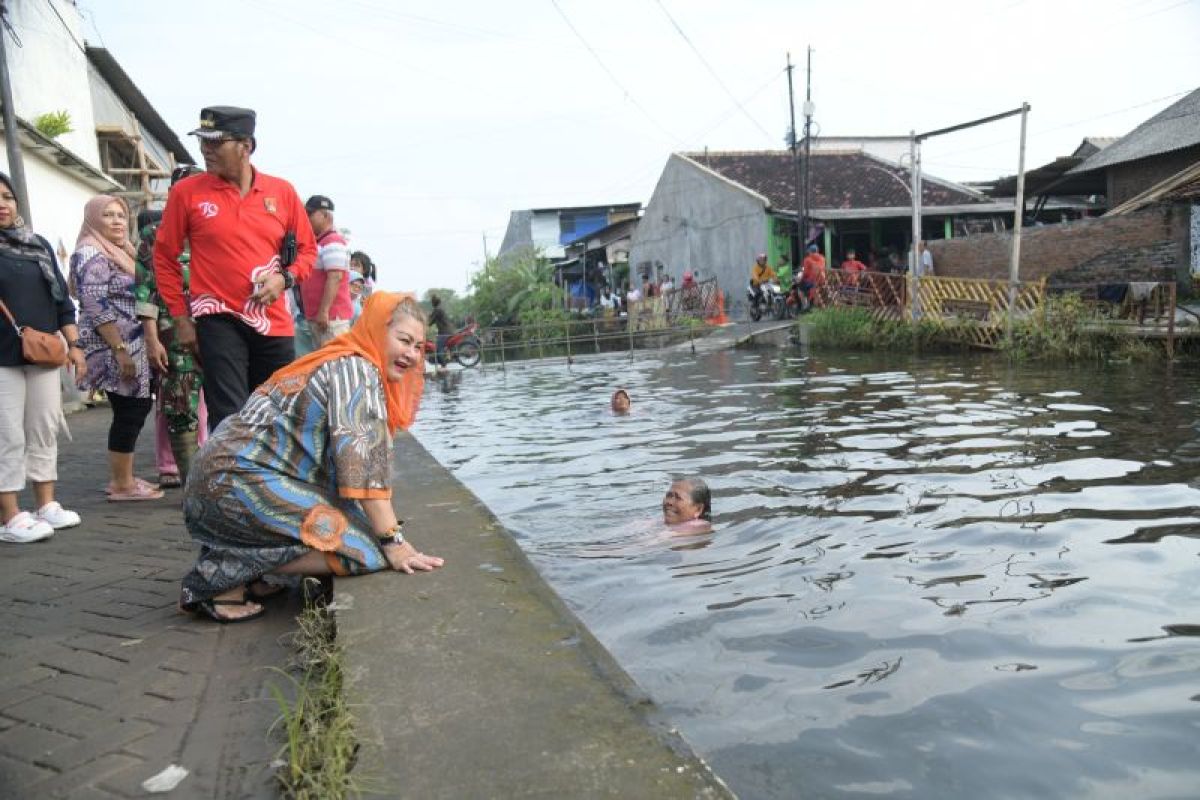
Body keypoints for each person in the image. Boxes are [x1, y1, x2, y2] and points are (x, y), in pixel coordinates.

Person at [179, 292, 443, 622]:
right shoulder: (357, 371)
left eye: (419, 347)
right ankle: (223, 574)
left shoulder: (341, 360)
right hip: (235, 484)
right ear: (376, 329)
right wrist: (395, 542)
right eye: (404, 340)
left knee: (354, 526)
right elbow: (361, 469)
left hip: (220, 481)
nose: (412, 354)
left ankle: (250, 566)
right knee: (368, 552)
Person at [154, 106, 317, 433]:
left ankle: (272, 482)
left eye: (216, 142)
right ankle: (230, 483)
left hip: (273, 321)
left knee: (279, 412)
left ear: (246, 146)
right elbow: (164, 256)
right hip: (218, 318)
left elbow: (308, 251)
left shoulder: (281, 191)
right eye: (203, 142)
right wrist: (181, 319)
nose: (205, 150)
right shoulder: (186, 192)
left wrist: (283, 279)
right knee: (229, 415)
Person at [0, 172, 85, 542]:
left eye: (7, 196)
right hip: (1, 357)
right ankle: (10, 515)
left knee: (44, 427)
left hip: (45, 354)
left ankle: (45, 503)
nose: (2, 204)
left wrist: (75, 345)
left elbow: (62, 302)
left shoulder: (37, 245)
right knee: (6, 434)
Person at [72, 195, 162, 502]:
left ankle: (124, 477)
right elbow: (95, 304)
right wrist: (120, 349)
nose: (116, 221)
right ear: (93, 219)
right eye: (108, 215)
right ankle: (122, 484)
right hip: (114, 345)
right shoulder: (91, 253)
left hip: (130, 341)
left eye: (121, 215)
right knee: (130, 410)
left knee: (133, 409)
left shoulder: (122, 250)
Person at [136, 165, 210, 487]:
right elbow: (145, 289)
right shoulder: (155, 235)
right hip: (174, 332)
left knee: (225, 403)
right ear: (172, 194)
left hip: (219, 329)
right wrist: (152, 339)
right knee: (179, 405)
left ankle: (220, 476)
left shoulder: (216, 227)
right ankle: (190, 483)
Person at [295, 195, 353, 356]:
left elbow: (335, 277)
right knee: (323, 363)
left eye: (310, 215)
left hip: (331, 319)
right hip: (320, 318)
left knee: (334, 362)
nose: (306, 219)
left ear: (326, 215)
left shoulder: (333, 242)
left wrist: (324, 311)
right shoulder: (320, 242)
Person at [798, 244, 827, 309]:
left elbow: (805, 273)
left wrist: (801, 280)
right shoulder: (822, 258)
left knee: (799, 288)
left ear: (810, 251)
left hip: (812, 281)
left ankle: (805, 305)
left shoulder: (807, 259)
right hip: (822, 280)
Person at [428, 293, 451, 367]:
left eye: (432, 302)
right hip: (446, 332)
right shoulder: (439, 309)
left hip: (444, 333)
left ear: (433, 303)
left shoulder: (437, 310)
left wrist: (425, 324)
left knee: (438, 350)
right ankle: (443, 364)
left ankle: (444, 366)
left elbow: (431, 321)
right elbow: (432, 318)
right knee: (439, 349)